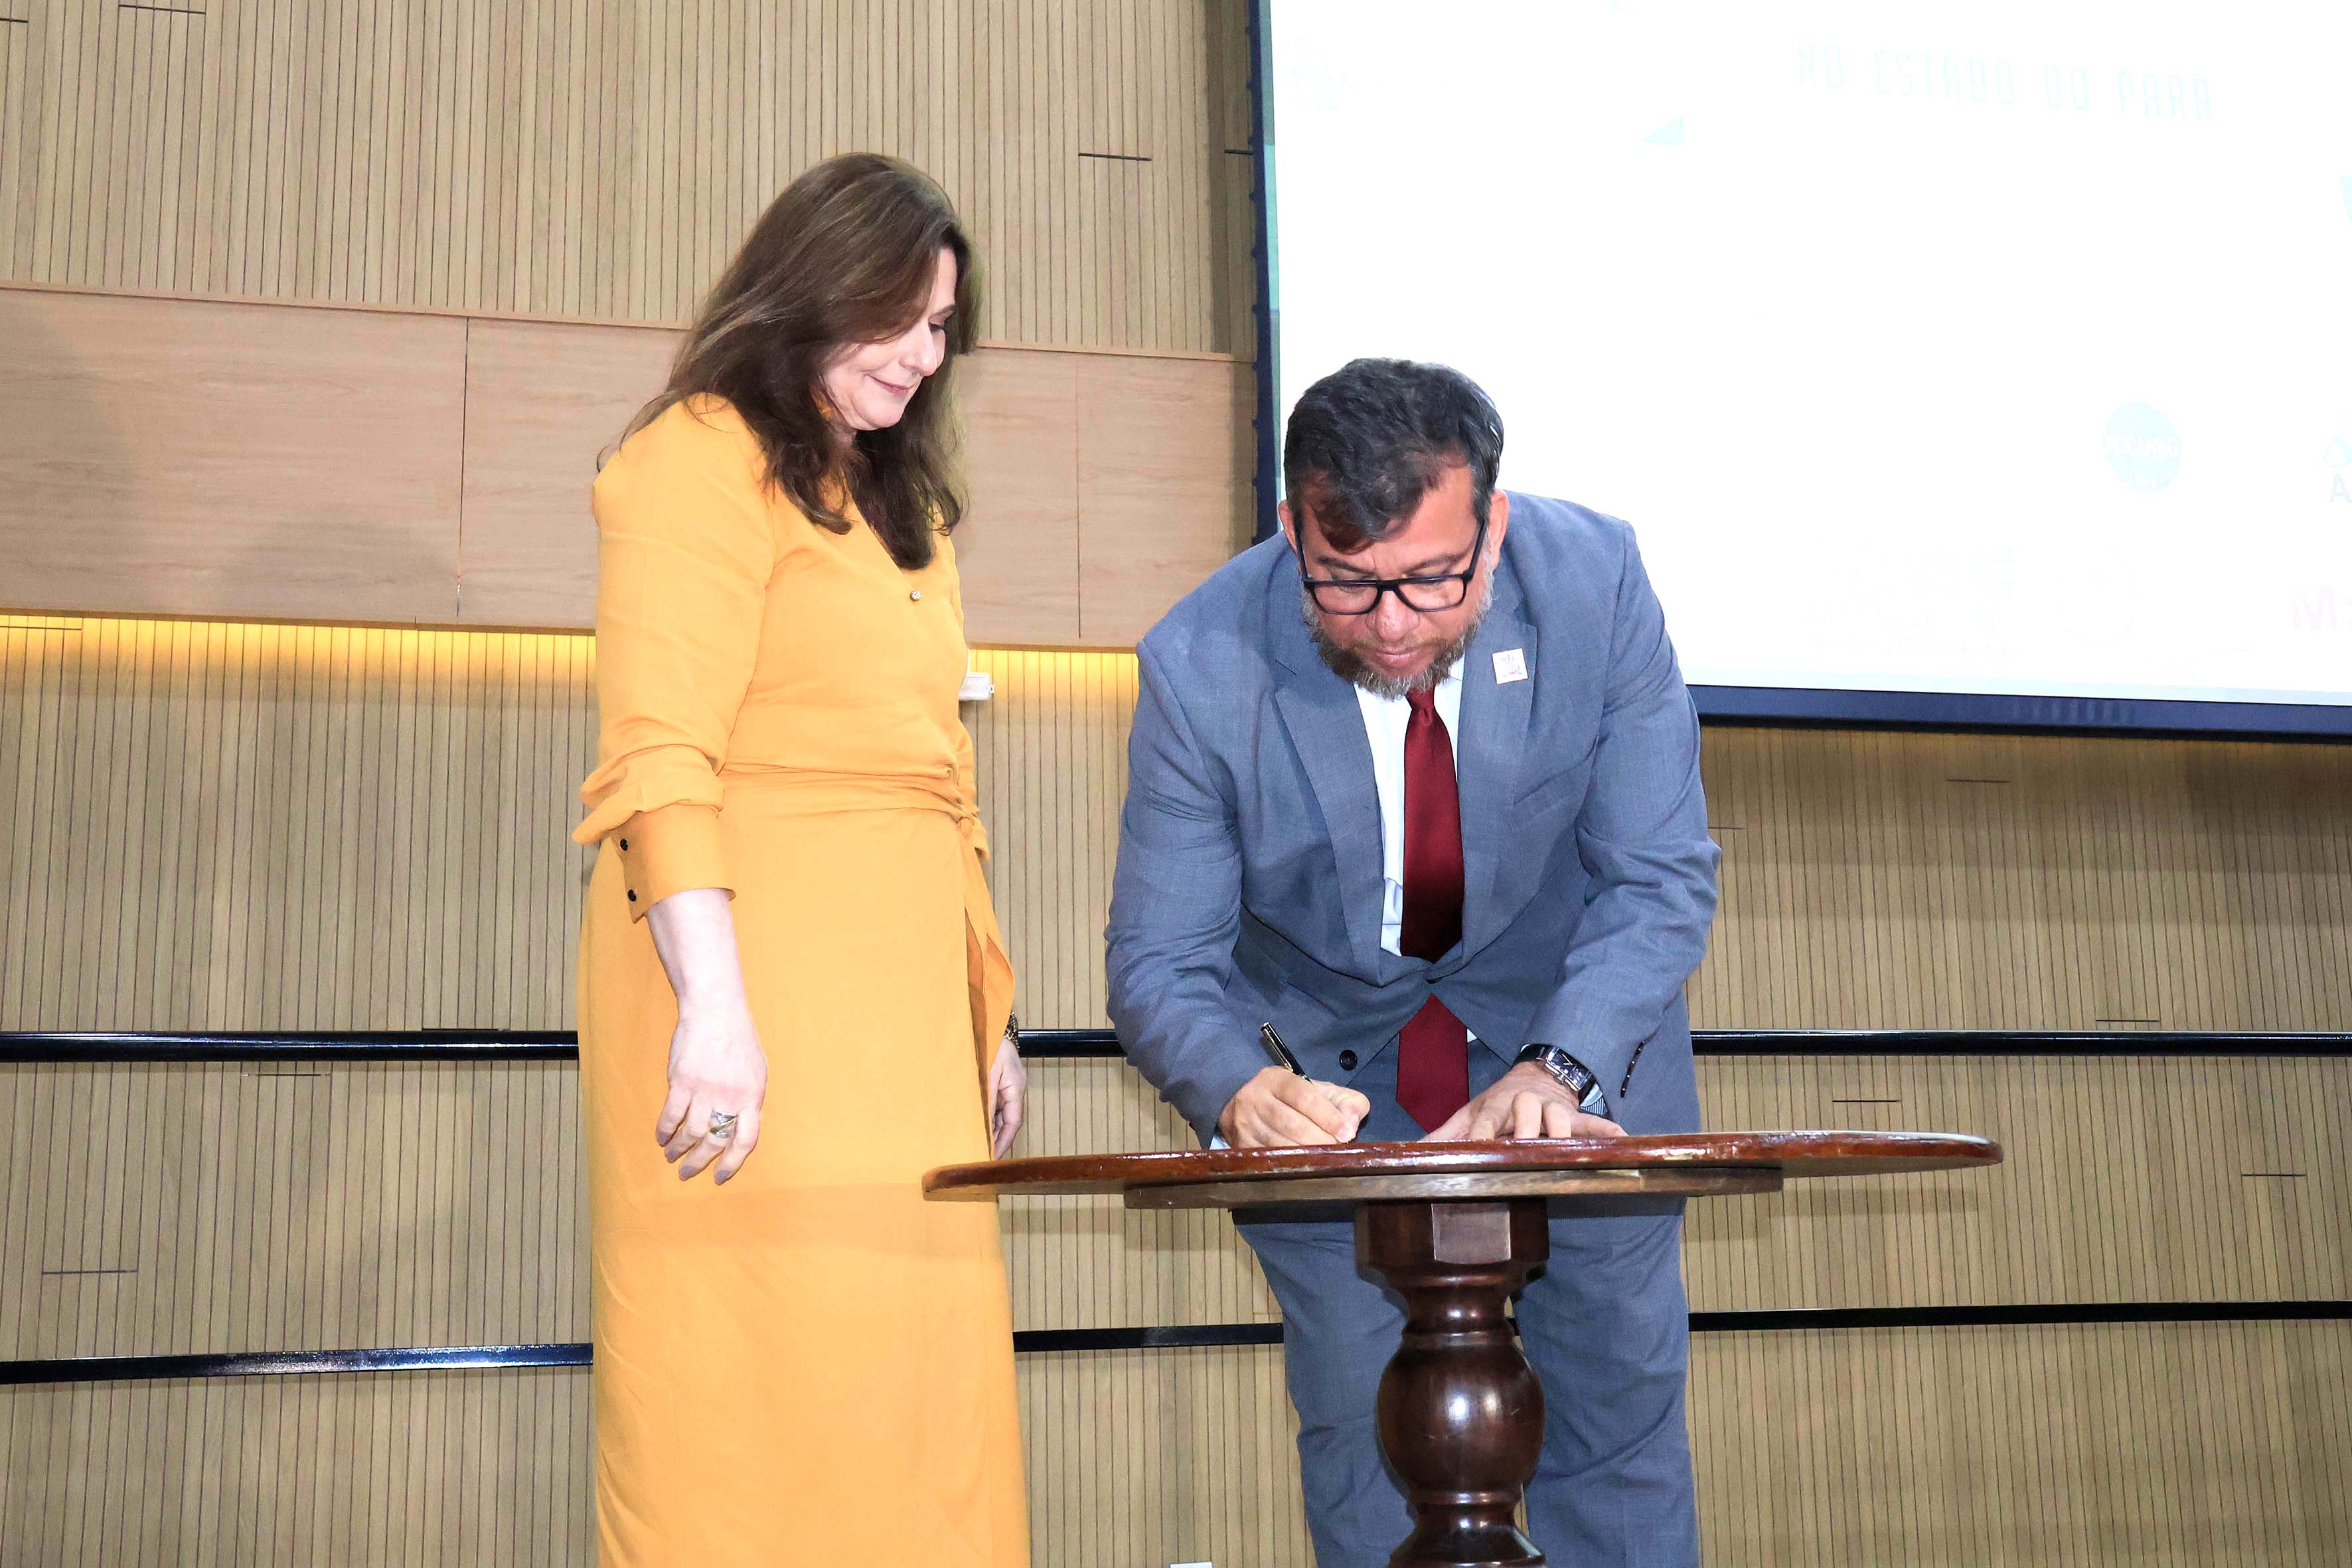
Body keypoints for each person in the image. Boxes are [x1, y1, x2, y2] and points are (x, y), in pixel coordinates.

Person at [1107, 357, 1721, 1566]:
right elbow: (1161, 959)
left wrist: (1563, 1064)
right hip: (1335, 1099)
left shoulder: (1597, 586)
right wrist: (1234, 1085)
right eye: (1347, 585)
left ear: (1492, 525)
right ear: (1291, 533)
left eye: (1432, 581)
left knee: (1618, 1434)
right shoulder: (1199, 663)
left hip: (1575, 1064)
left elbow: (1657, 874)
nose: (1393, 625)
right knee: (1367, 1438)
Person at [572, 154, 1030, 1568]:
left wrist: (986, 1011)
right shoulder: (694, 455)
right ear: (813, 287)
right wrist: (714, 1009)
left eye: (942, 326)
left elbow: (937, 779)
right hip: (744, 978)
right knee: (764, 1373)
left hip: (898, 1001)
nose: (921, 354)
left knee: (916, 1370)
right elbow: (658, 757)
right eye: (898, 316)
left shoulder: (908, 508)